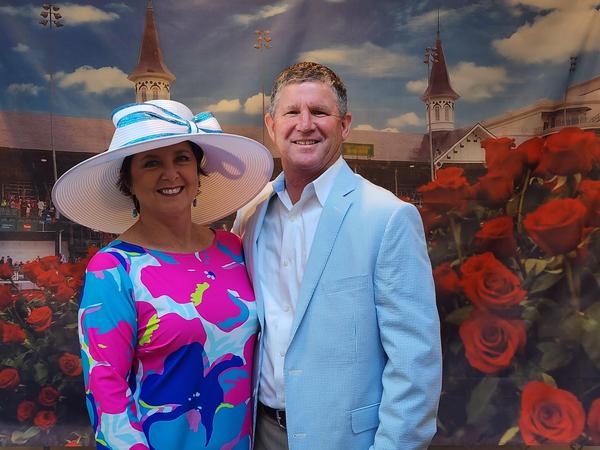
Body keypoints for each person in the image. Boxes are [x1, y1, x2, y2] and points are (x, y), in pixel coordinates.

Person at [233, 62, 442, 450]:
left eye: (319, 112)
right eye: (292, 112)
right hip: (259, 434)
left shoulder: (388, 216)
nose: (305, 124)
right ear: (271, 125)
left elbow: (415, 362)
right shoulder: (252, 214)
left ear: (344, 125)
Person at [52, 99, 273, 449]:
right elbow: (106, 391)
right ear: (128, 181)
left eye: (182, 158)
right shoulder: (114, 269)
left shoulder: (233, 249)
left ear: (198, 174)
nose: (170, 174)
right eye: (152, 162)